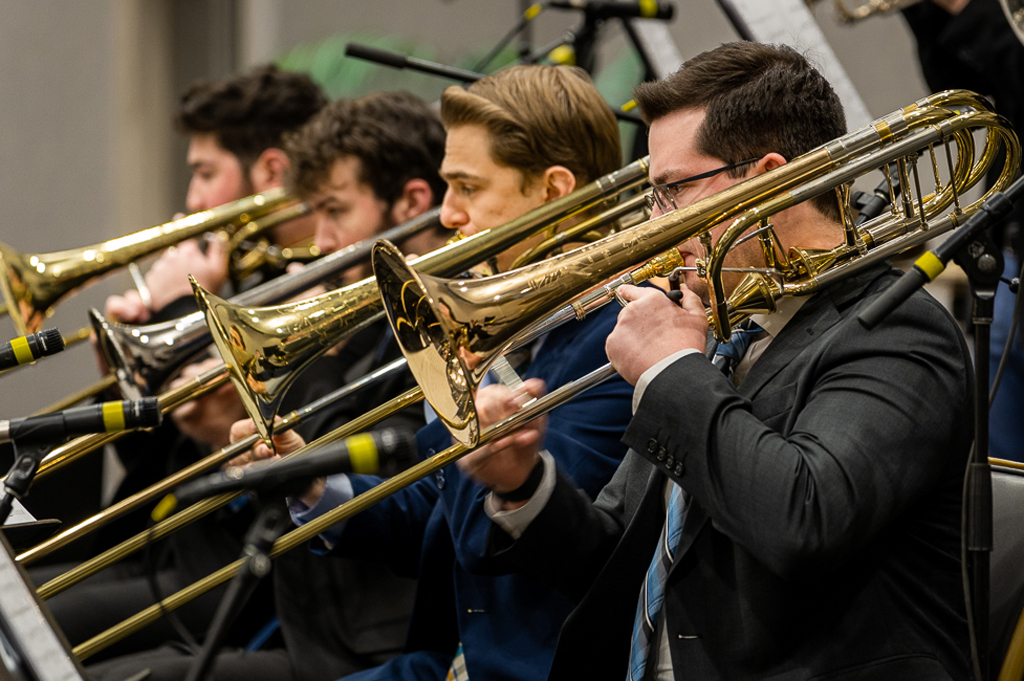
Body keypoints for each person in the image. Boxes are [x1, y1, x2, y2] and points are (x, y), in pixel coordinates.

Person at [459, 42, 974, 680]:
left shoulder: (896, 330)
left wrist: (671, 373)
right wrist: (521, 481)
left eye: (670, 191)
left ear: (765, 179)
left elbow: (802, 521)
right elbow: (615, 553)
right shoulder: (732, 334)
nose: (654, 226)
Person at [238, 64, 635, 681]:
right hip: (446, 660)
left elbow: (544, 538)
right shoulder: (509, 325)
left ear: (555, 190)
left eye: (467, 188)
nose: (448, 215)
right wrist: (307, 480)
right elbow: (435, 506)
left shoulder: (618, 336)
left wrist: (485, 410)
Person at [34, 65, 329, 664]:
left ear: (270, 171)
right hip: (167, 542)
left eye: (204, 173)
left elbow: (247, 455)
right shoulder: (244, 270)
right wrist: (132, 373)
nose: (192, 200)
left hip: (239, 571)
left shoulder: (306, 289)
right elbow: (156, 462)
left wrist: (175, 308)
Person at [901, 0, 1024, 463]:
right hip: (1010, 242)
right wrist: (926, 13)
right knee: (1000, 461)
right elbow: (964, 95)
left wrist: (970, 8)